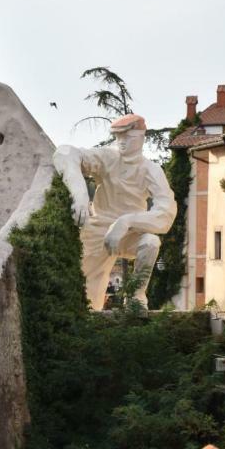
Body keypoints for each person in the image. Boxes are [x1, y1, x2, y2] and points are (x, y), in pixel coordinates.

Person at [53, 113, 176, 311]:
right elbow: (65, 153)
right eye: (118, 137)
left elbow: (166, 214)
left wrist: (126, 222)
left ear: (141, 138)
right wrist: (80, 195)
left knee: (151, 243)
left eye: (128, 137)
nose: (122, 142)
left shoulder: (151, 170)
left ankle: (136, 297)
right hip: (97, 230)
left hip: (130, 233)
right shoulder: (109, 157)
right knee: (83, 299)